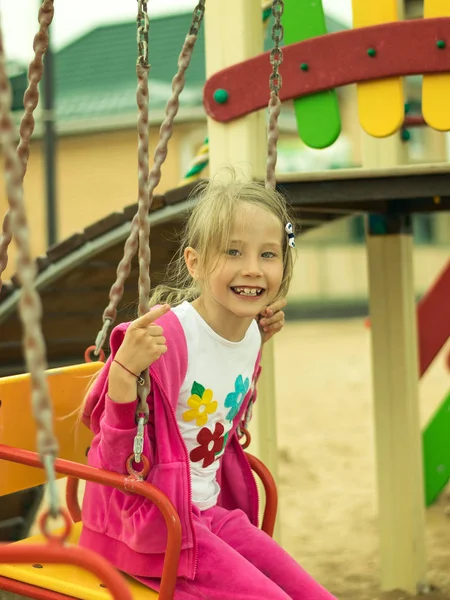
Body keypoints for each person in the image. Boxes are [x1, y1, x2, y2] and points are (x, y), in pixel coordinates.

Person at [80, 172, 336, 600]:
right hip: (152, 528)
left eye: (268, 254)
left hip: (209, 514)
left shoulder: (251, 333)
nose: (252, 268)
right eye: (233, 251)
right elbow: (113, 465)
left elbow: (225, 416)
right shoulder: (165, 339)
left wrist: (256, 344)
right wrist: (124, 374)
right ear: (195, 263)